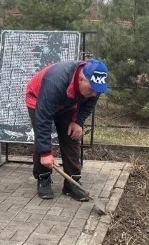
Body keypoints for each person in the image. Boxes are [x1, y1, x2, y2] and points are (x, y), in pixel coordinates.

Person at [25, 58, 110, 201]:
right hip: (38, 99)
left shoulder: (95, 84)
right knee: (42, 139)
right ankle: (43, 177)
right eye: (92, 89)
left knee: (72, 136)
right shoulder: (55, 82)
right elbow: (43, 119)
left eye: (97, 91)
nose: (95, 94)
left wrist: (78, 122)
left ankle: (72, 183)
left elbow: (89, 104)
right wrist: (45, 152)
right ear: (81, 79)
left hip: (67, 103)